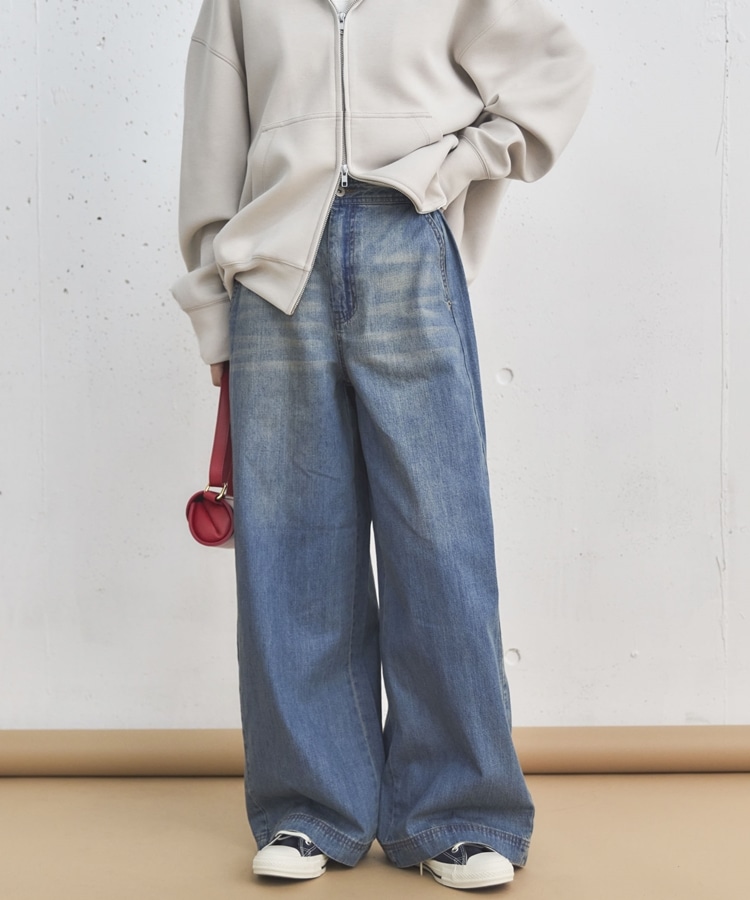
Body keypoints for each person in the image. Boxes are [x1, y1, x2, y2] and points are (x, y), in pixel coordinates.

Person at [172, 0, 593, 890]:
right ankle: (308, 809)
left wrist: (452, 165)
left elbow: (554, 73)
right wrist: (213, 312)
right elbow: (212, 145)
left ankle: (459, 812)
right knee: (291, 546)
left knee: (440, 538)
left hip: (409, 243)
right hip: (272, 271)